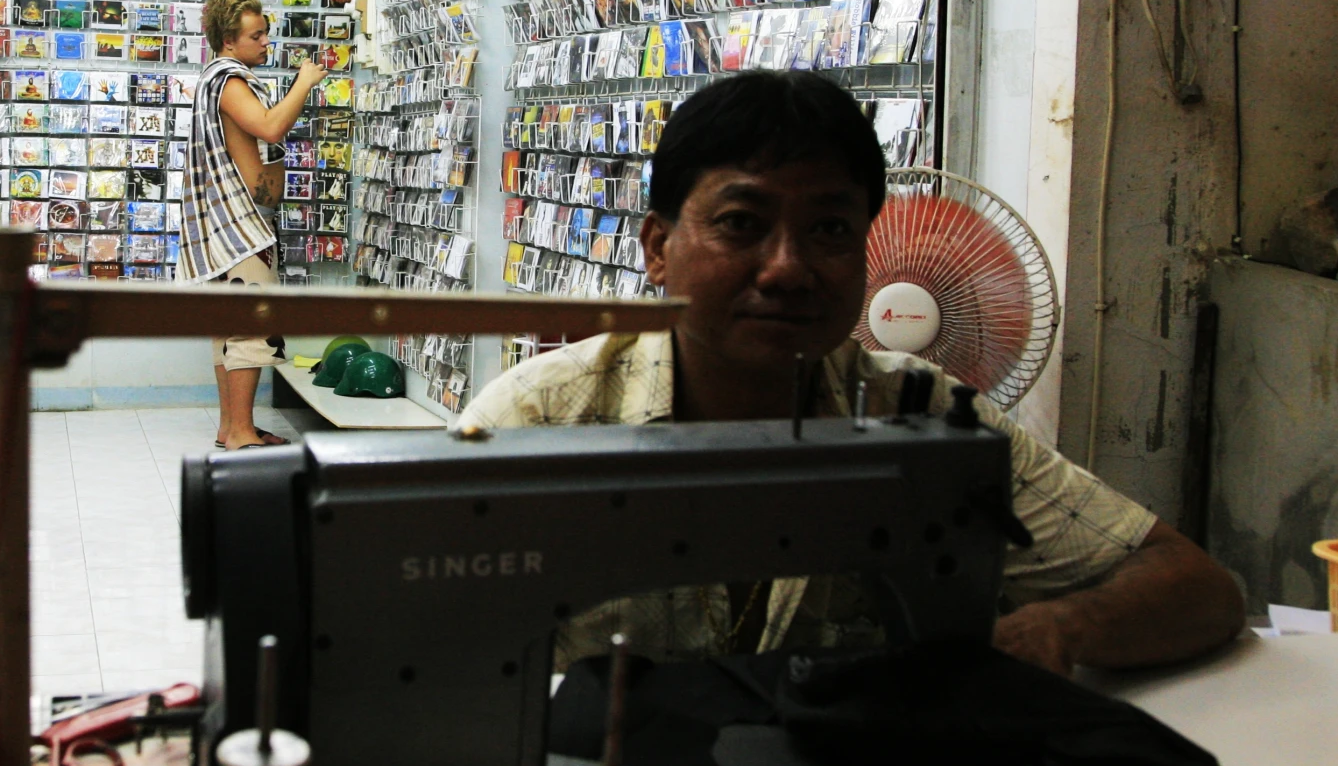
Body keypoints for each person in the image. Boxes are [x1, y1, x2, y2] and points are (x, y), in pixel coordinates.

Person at [458, 71, 1246, 679]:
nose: (789, 268)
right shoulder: (537, 423)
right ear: (657, 246)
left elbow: (1196, 586)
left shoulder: (923, 415)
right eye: (741, 224)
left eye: (831, 228)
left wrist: (1060, 628)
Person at [177, 0, 324, 452]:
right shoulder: (229, 79)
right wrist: (305, 82)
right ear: (228, 40)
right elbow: (269, 127)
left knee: (228, 330)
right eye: (255, 36)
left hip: (229, 226)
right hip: (239, 226)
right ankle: (241, 431)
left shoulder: (216, 79)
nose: (266, 43)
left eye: (265, 33)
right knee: (250, 330)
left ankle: (231, 427)